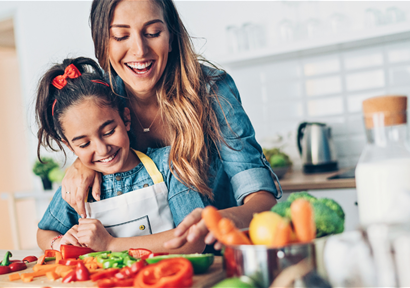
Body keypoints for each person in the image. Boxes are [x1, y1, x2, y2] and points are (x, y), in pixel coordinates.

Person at [62, 0, 281, 250]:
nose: (139, 50)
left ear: (171, 36)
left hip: (220, 256)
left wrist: (217, 219)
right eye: (121, 36)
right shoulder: (102, 99)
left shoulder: (212, 91)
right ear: (103, 43)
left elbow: (263, 201)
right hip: (141, 266)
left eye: (153, 33)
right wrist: (81, 162)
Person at [34, 57, 209, 253]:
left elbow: (194, 239)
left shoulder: (169, 165)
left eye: (109, 132)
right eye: (84, 144)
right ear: (70, 147)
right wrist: (59, 243)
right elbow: (44, 232)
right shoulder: (78, 188)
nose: (102, 149)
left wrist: (110, 245)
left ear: (126, 119)